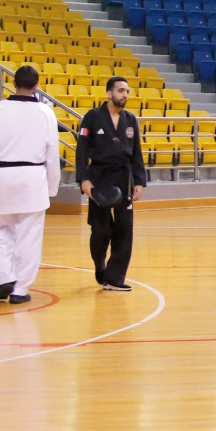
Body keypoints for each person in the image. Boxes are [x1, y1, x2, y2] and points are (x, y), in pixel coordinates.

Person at [0, 65, 61, 305]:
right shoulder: (45, 112)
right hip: (33, 178)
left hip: (2, 176)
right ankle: (20, 289)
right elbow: (52, 153)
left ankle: (5, 277)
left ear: (14, 83)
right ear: (37, 86)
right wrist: (51, 188)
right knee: (29, 236)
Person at [76, 76, 147, 293]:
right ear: (109, 93)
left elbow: (136, 153)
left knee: (125, 229)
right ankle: (100, 264)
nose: (125, 95)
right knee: (101, 229)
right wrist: (84, 179)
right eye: (120, 91)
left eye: (127, 91)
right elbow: (81, 150)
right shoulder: (93, 117)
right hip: (99, 178)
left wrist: (139, 181)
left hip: (124, 178)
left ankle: (115, 278)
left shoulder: (130, 119)